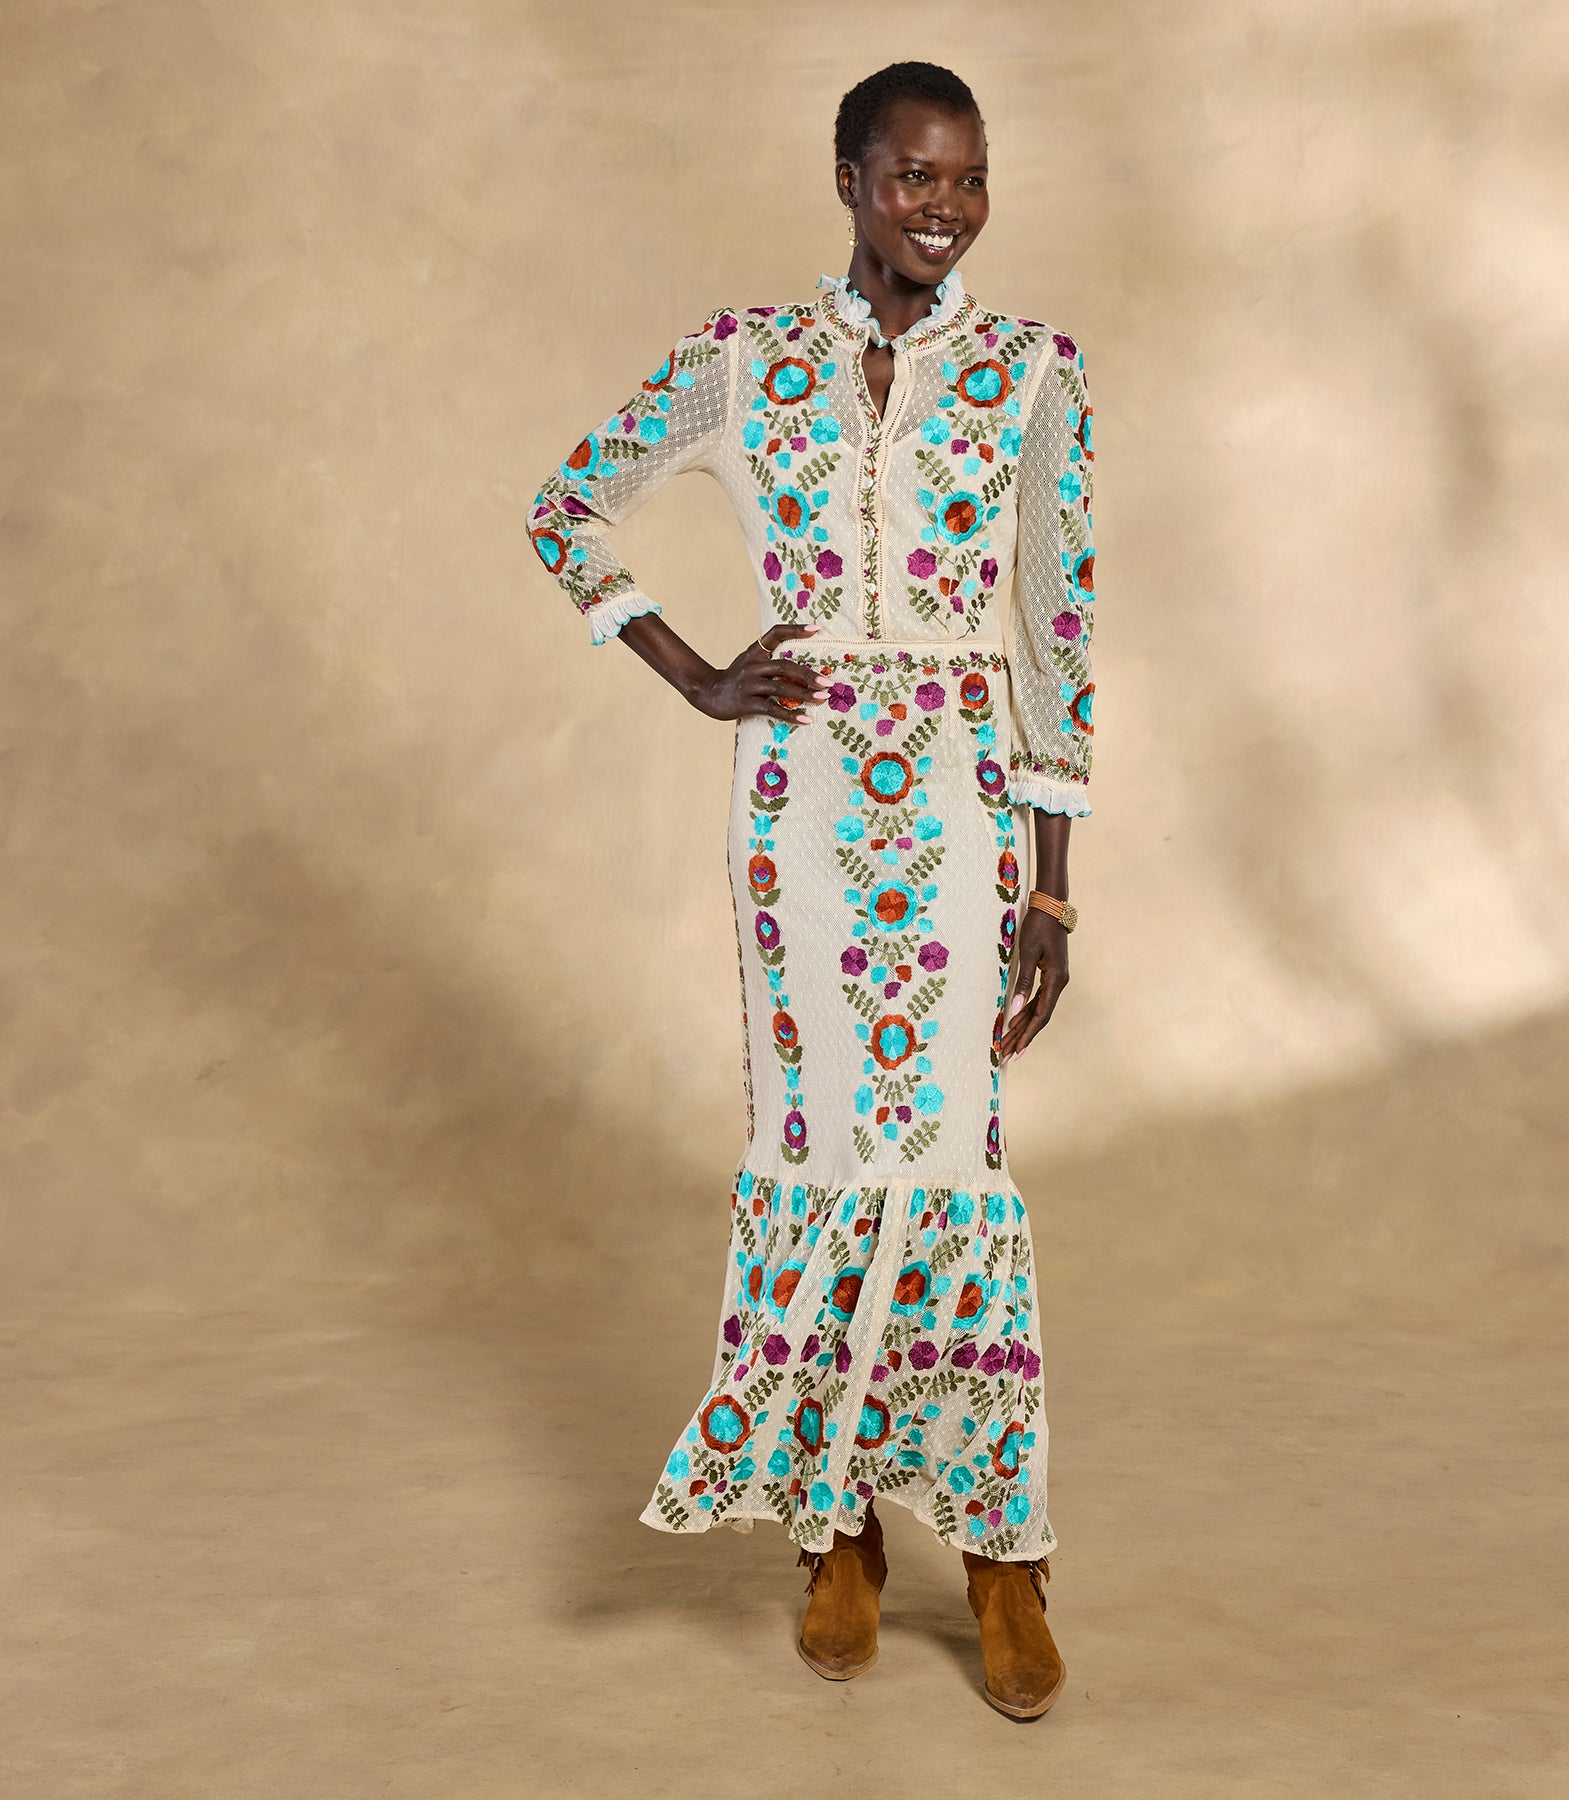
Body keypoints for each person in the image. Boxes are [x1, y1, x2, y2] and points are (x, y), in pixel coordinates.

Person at [525, 60, 1096, 1721]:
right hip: (800, 806)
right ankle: (832, 1526)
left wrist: (1053, 893)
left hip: (962, 809)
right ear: (849, 177)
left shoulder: (1033, 372)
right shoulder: (746, 357)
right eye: (915, 176)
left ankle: (1000, 1547)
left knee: (952, 1156)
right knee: (817, 1144)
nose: (945, 208)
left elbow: (1055, 629)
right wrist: (699, 675)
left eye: (968, 179)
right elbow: (566, 508)